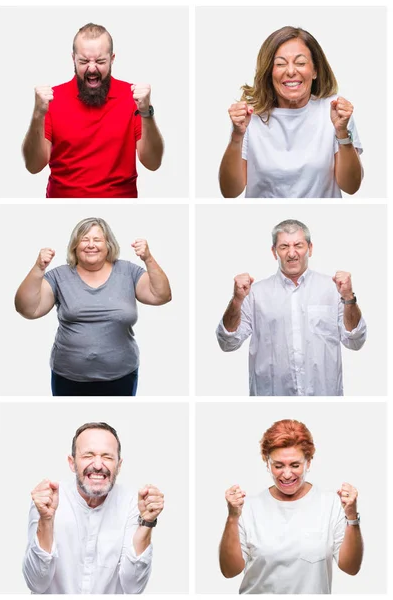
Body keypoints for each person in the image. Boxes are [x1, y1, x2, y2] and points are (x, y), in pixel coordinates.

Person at [14, 217, 171, 396]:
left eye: (97, 239)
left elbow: (161, 295)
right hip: (68, 377)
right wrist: (38, 268)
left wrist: (148, 258)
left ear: (108, 245)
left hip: (121, 375)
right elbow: (27, 309)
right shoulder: (59, 275)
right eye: (84, 239)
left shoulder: (128, 272)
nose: (91, 245)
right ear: (75, 245)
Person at [216, 219, 366, 395]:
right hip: (270, 399)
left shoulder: (333, 289)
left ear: (310, 248)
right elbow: (227, 343)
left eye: (298, 245)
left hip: (323, 398)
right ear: (274, 252)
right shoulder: (255, 293)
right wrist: (236, 300)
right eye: (284, 246)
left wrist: (348, 297)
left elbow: (356, 341)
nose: (292, 253)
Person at [219, 419, 363, 594]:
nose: (286, 474)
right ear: (267, 463)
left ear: (308, 462)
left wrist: (352, 516)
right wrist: (232, 517)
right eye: (278, 466)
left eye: (295, 465)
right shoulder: (248, 507)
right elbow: (229, 571)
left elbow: (351, 568)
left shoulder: (331, 504)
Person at [22, 23, 164, 198]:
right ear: (73, 58)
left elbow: (153, 163)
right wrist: (37, 115)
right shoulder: (51, 99)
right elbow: (33, 166)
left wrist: (146, 112)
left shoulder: (132, 97)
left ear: (112, 59)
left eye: (100, 61)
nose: (91, 68)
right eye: (83, 61)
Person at [219, 26, 363, 198]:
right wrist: (236, 137)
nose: (291, 71)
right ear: (269, 72)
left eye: (301, 63)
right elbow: (230, 191)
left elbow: (351, 187)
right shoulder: (251, 116)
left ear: (315, 70)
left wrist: (342, 133)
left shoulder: (334, 110)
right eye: (280, 64)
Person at [23, 422, 164, 594]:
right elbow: (36, 583)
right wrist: (46, 520)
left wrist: (147, 523)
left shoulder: (132, 503)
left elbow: (133, 587)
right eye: (88, 455)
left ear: (118, 466)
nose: (98, 465)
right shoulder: (48, 499)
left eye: (107, 457)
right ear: (72, 463)